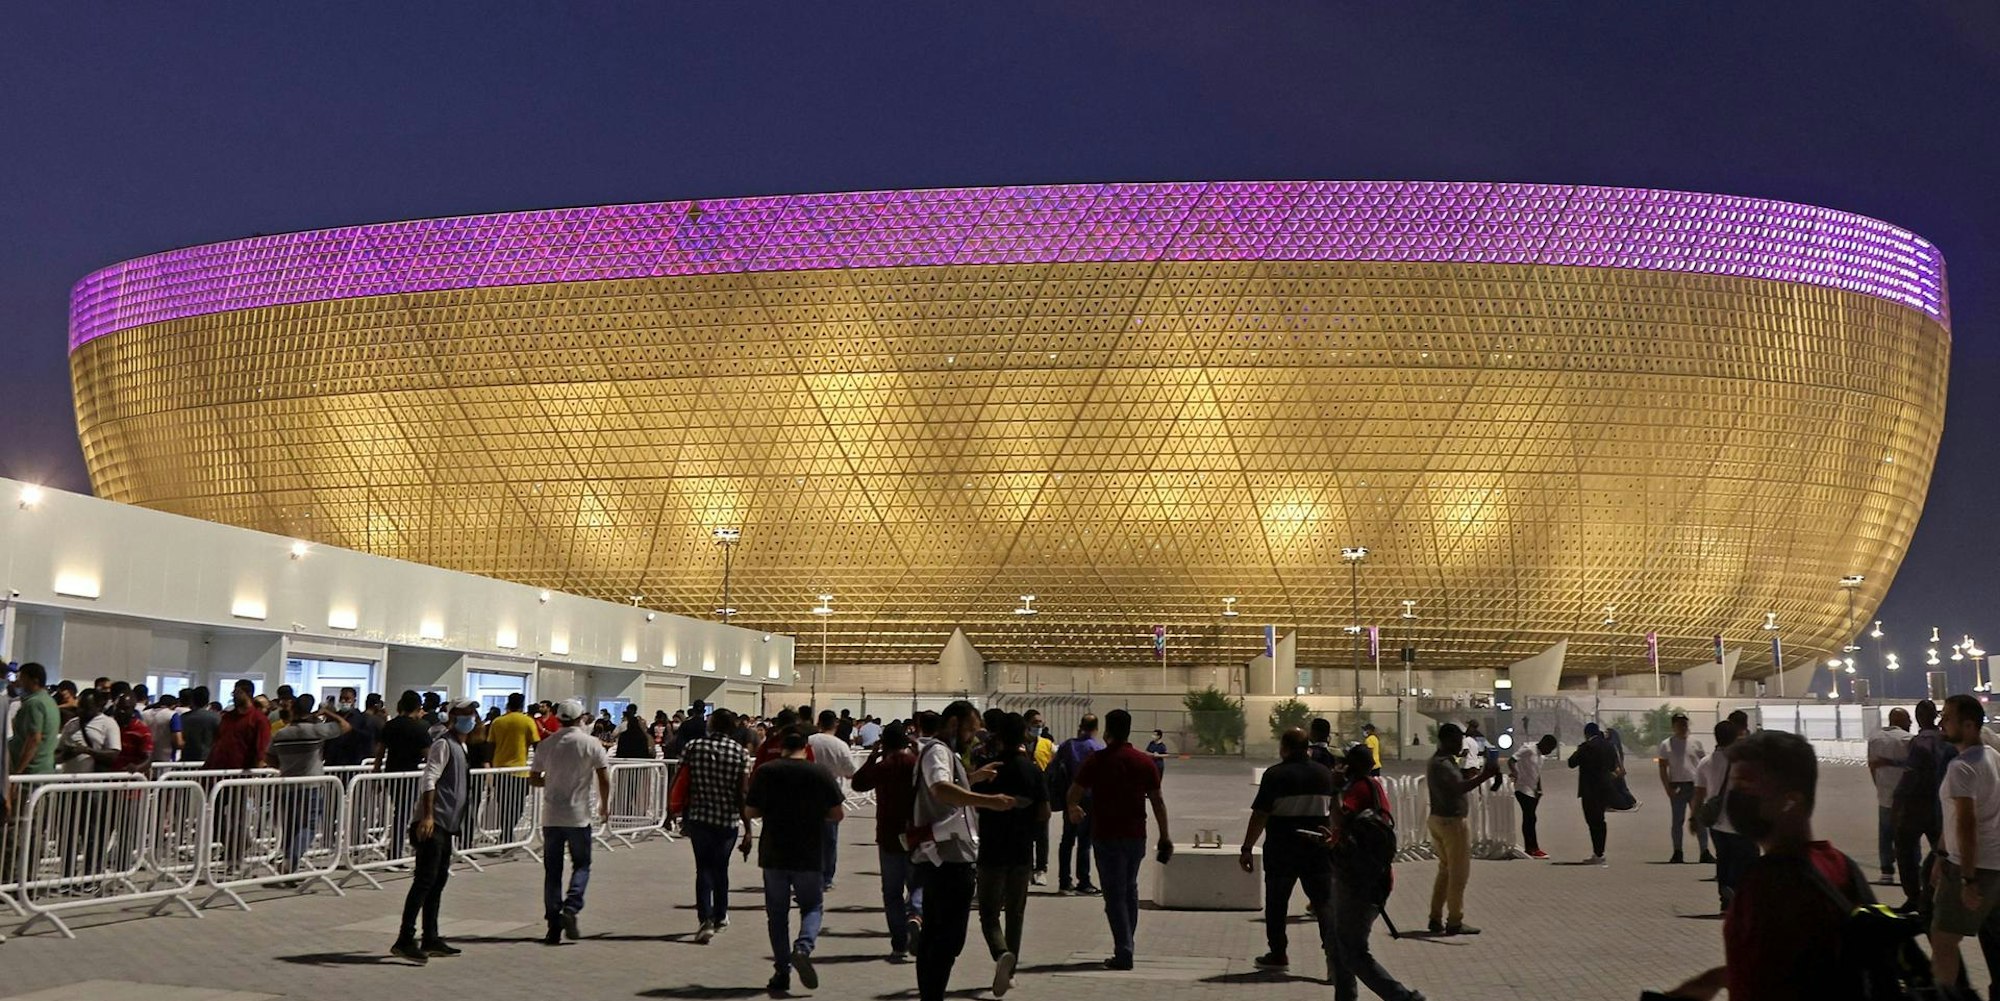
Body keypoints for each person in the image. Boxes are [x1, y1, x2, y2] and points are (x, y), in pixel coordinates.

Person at [1657, 731, 1877, 1001]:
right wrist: (1723, 976)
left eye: (1746, 786)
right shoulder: (1839, 864)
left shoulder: (1768, 884)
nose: (1735, 800)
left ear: (1791, 800)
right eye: (1734, 786)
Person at [911, 701, 1024, 1001]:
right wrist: (987, 800)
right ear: (953, 724)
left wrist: (972, 778)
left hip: (946, 857)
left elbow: (945, 785)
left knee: (938, 936)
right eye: (971, 729)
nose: (973, 737)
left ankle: (930, 994)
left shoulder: (946, 754)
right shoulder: (938, 751)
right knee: (946, 939)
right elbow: (940, 789)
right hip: (947, 860)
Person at [1320, 742, 1425, 1001]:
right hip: (1374, 876)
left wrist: (1334, 790)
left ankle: (1403, 997)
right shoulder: (1376, 787)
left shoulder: (1357, 789)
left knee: (1353, 951)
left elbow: (1339, 820)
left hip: (1356, 882)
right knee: (1338, 942)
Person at [745, 727, 846, 994]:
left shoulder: (767, 771)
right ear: (806, 748)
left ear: (781, 747)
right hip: (809, 852)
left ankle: (782, 970)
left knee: (776, 915)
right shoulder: (820, 773)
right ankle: (803, 947)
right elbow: (837, 814)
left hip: (773, 852)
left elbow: (751, 810)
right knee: (812, 906)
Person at [1069, 708, 1171, 970]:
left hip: (1106, 834)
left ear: (1107, 731)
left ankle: (1124, 951)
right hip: (1136, 835)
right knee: (1129, 890)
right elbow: (1158, 801)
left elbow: (1074, 791)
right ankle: (1127, 943)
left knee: (1114, 895)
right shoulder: (1143, 761)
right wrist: (1165, 836)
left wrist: (1073, 808)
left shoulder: (1097, 760)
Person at [1238, 727, 1337, 972]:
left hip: (1282, 850)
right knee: (1324, 904)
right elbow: (1335, 812)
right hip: (1317, 851)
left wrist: (1247, 847)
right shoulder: (1325, 775)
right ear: (1308, 748)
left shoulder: (1275, 776)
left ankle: (1278, 953)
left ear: (1285, 748)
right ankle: (1334, 959)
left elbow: (1260, 815)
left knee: (1277, 902)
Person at [391, 698, 479, 965]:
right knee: (424, 880)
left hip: (447, 824)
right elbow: (429, 779)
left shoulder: (460, 745)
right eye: (465, 714)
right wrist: (427, 816)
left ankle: (431, 936)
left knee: (437, 880)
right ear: (453, 716)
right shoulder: (444, 743)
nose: (471, 718)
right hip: (434, 823)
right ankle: (405, 938)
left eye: (472, 713)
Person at [972, 712, 1047, 996]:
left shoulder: (988, 767)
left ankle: (1000, 952)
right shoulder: (1032, 770)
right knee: (1015, 913)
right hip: (1021, 852)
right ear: (1025, 735)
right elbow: (1045, 812)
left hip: (991, 849)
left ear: (998, 736)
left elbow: (971, 800)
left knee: (989, 913)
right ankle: (1011, 970)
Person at [1929, 694, 2000, 989]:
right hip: (1994, 864)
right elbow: (1955, 818)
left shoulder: (1962, 768)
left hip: (1972, 867)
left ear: (1969, 726)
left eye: (1947, 717)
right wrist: (1940, 854)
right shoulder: (1993, 757)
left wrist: (1968, 880)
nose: (1941, 722)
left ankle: (1945, 994)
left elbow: (1967, 824)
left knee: (1943, 938)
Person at [530, 698, 611, 944]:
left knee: (552, 872)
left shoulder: (546, 744)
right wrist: (604, 806)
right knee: (582, 864)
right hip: (578, 816)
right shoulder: (591, 743)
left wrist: (552, 781)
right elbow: (604, 778)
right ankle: (572, 906)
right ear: (580, 719)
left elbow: (534, 778)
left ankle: (553, 925)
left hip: (551, 816)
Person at [851, 721, 924, 960]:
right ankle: (915, 914)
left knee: (891, 893)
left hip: (888, 835)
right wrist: (918, 750)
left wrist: (872, 758)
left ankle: (899, 943)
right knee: (918, 883)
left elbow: (858, 783)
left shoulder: (883, 767)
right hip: (915, 833)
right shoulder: (916, 765)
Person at [678, 708, 750, 943]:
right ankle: (720, 915)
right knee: (721, 868)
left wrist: (674, 810)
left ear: (712, 725)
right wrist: (748, 828)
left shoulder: (693, 747)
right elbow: (742, 793)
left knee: (703, 869)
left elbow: (682, 780)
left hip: (699, 818)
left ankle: (705, 919)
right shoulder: (740, 753)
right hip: (727, 819)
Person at [1425, 723, 1497, 934]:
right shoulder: (1443, 764)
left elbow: (1454, 782)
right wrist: (1485, 775)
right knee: (1458, 875)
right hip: (1452, 823)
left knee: (1445, 872)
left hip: (1438, 819)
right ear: (1446, 741)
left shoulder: (1439, 762)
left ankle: (1435, 917)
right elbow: (1458, 788)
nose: (1460, 745)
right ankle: (1454, 920)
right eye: (1457, 741)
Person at [266, 694, 350, 873]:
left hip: (287, 784)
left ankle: (289, 862)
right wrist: (329, 712)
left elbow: (269, 756)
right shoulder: (316, 730)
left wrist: (283, 766)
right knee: (309, 826)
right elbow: (345, 727)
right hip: (311, 784)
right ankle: (292, 859)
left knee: (290, 826)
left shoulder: (282, 733)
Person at [1892, 698, 1957, 910]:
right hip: (1940, 807)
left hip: (1916, 807)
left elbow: (1910, 778)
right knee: (1942, 852)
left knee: (1905, 852)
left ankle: (1914, 897)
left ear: (1919, 718)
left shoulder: (1919, 743)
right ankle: (1942, 893)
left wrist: (1897, 803)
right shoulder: (1947, 743)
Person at [1692, 719, 1753, 911]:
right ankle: (1734, 892)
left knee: (1723, 858)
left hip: (1715, 821)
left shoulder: (1705, 762)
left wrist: (1694, 817)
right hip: (1739, 819)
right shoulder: (1741, 761)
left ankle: (1725, 898)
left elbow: (1699, 794)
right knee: (1743, 858)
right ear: (1735, 737)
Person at [374, 690, 433, 860]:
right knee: (405, 813)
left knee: (399, 812)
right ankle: (397, 850)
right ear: (418, 706)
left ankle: (397, 848)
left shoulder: (390, 725)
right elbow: (429, 755)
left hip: (391, 772)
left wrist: (376, 774)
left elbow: (380, 752)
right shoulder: (420, 728)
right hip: (410, 774)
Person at [1050, 714, 1104, 895]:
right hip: (1089, 798)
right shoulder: (1096, 748)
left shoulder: (1067, 745)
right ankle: (1084, 881)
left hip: (1069, 797)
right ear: (1096, 728)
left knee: (1067, 840)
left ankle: (1064, 881)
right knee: (1085, 841)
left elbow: (1054, 768)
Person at [807, 709, 858, 891]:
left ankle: (810, 874)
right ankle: (827, 877)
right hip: (831, 795)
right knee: (830, 840)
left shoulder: (809, 742)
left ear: (818, 722)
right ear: (835, 724)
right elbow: (851, 772)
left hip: (809, 794)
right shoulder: (840, 746)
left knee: (810, 838)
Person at [1656, 713, 1712, 865]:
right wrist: (1667, 787)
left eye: (1685, 724)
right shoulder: (1666, 744)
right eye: (1680, 724)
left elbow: (1703, 764)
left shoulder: (1696, 742)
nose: (1683, 727)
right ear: (1673, 726)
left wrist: (1705, 785)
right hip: (1678, 786)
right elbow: (1662, 767)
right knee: (1677, 821)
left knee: (1699, 819)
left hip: (1695, 785)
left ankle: (1704, 851)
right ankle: (1678, 852)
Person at [487, 692, 541, 850]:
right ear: (522, 705)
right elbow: (537, 745)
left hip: (500, 771)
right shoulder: (527, 721)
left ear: (508, 704)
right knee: (518, 806)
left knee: (503, 805)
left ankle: (506, 834)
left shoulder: (498, 722)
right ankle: (507, 834)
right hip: (520, 771)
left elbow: (491, 745)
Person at [1867, 707, 1914, 886]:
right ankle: (1910, 870)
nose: (1910, 722)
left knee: (1885, 834)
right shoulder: (1908, 740)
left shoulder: (1875, 738)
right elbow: (1914, 765)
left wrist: (1878, 786)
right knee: (1908, 835)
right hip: (1906, 796)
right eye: (1908, 719)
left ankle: (1886, 871)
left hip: (1885, 795)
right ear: (1901, 720)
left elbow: (1871, 765)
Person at [1567, 722, 1620, 865]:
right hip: (1604, 788)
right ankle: (1600, 852)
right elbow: (1612, 766)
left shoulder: (1585, 747)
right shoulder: (1609, 746)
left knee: (1592, 821)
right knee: (1601, 821)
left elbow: (1571, 763)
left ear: (1587, 734)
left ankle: (1597, 853)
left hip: (1589, 790)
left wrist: (1579, 751)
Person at [1509, 734, 1557, 859]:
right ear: (1544, 744)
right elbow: (1512, 760)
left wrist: (1539, 788)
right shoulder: (1528, 749)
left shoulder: (1542, 756)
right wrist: (1515, 773)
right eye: (1550, 749)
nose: (1549, 752)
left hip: (1533, 789)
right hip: (1522, 788)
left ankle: (1530, 848)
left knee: (1530, 818)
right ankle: (1533, 848)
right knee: (1530, 817)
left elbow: (1537, 773)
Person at [1024, 708, 1056, 886]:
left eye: (1040, 723)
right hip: (1023, 795)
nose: (1039, 726)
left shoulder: (1047, 744)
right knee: (1026, 834)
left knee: (1042, 834)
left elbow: (1056, 763)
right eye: (1035, 723)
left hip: (1042, 794)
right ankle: (1027, 867)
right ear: (1027, 724)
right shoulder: (1019, 743)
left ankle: (1041, 869)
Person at [55, 689, 121, 774]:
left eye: (86, 707)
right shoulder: (71, 724)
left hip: (93, 782)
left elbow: (114, 754)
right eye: (80, 706)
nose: (81, 710)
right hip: (69, 780)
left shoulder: (108, 723)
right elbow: (58, 752)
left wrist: (86, 750)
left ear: (98, 707)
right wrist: (68, 753)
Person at [325, 686, 378, 767]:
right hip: (333, 761)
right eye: (341, 698)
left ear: (354, 701)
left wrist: (352, 730)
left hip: (352, 761)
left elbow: (368, 736)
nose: (343, 701)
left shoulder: (361, 718)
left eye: (347, 699)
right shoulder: (334, 716)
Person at [177, 687, 219, 762]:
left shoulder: (183, 718)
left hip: (187, 760)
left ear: (192, 700)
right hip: (209, 760)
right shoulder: (216, 718)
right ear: (208, 700)